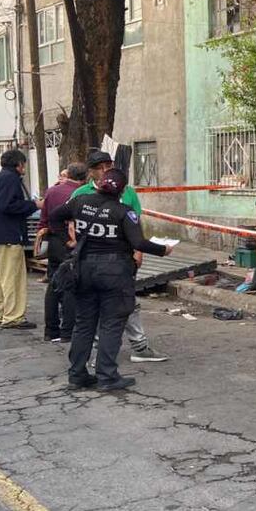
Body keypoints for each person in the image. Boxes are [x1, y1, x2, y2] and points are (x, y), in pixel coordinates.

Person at [52, 169, 173, 390]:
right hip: (114, 273)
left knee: (84, 324)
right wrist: (163, 249)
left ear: (98, 184)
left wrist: (69, 242)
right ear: (123, 190)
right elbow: (138, 242)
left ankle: (77, 374)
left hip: (84, 269)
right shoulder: (124, 212)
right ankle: (107, 376)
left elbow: (54, 217)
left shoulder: (80, 202)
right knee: (111, 323)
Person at [72, 151, 168, 363]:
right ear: (91, 171)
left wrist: (139, 252)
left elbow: (136, 227)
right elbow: (69, 223)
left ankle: (139, 346)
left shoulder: (127, 192)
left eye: (109, 165)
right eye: (101, 167)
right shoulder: (81, 194)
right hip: (91, 261)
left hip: (121, 262)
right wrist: (75, 245)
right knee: (96, 309)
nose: (106, 170)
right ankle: (97, 356)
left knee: (128, 303)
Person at [0, 149, 43, 329]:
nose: (24, 168)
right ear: (19, 165)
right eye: (24, 165)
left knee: (0, 279)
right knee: (12, 278)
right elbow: (9, 205)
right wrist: (34, 205)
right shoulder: (10, 179)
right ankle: (13, 316)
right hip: (8, 234)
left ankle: (1, 312)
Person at [38, 162, 86, 341]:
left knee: (53, 284)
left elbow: (44, 218)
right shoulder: (81, 194)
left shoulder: (52, 191)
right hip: (71, 243)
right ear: (84, 178)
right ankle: (68, 331)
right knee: (70, 287)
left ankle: (50, 331)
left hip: (54, 242)